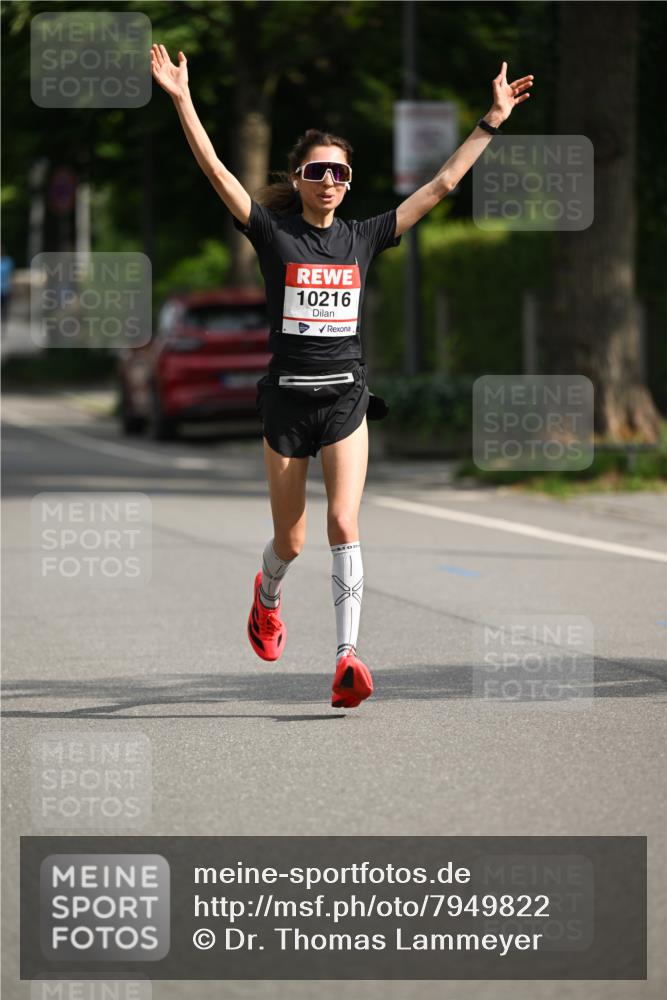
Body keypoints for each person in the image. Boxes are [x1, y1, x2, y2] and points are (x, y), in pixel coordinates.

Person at [150, 43, 533, 708]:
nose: (330, 180)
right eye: (317, 169)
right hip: (285, 407)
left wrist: (489, 121)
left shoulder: (362, 237)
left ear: (348, 183)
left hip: (345, 399)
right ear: (297, 177)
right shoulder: (274, 235)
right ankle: (266, 595)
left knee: (344, 523)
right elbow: (215, 169)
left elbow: (441, 186)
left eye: (340, 172)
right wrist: (183, 99)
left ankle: (346, 660)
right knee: (291, 540)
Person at [1, 243, 15, 325]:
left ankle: (3, 323)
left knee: (4, 308)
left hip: (6, 288)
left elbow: (12, 275)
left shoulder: (8, 261)